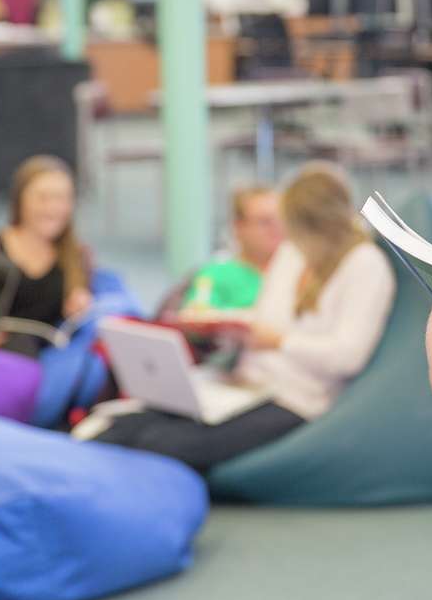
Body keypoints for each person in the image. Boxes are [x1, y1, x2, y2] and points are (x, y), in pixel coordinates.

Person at [89, 163, 395, 473]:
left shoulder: (365, 266)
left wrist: (280, 342)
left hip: (294, 398)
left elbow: (347, 356)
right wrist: (230, 326)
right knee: (122, 423)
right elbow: (266, 317)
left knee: (162, 442)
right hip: (246, 381)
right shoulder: (293, 252)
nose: (282, 235)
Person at [0, 155, 93, 360]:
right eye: (43, 198)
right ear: (21, 200)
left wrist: (80, 307)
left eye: (62, 198)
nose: (53, 208)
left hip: (46, 356)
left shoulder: (76, 256)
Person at [177, 185, 284, 316]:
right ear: (238, 227)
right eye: (265, 222)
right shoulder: (215, 274)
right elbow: (196, 320)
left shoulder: (302, 273)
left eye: (282, 220)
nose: (276, 229)